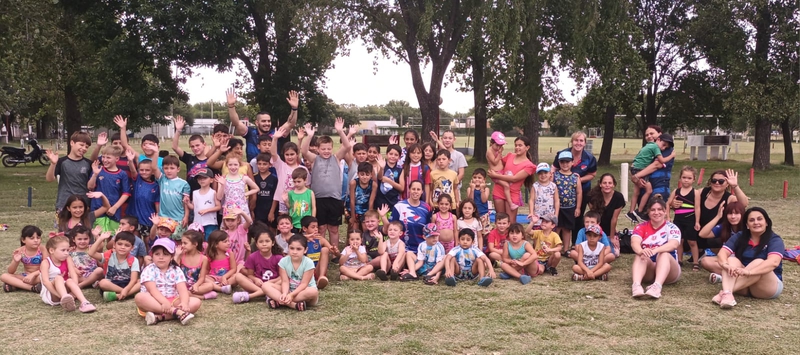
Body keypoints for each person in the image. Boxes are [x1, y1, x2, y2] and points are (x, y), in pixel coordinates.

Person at [712, 207, 784, 308]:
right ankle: (728, 295)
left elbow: (773, 262)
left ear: (766, 222)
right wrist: (725, 265)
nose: (756, 222)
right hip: (744, 285)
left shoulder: (774, 239)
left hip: (766, 287)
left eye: (759, 219)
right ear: (746, 225)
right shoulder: (740, 236)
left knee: (758, 262)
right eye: (751, 220)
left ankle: (725, 292)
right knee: (731, 260)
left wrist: (749, 272)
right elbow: (722, 253)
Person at [300, 119, 352, 249]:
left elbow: (347, 146)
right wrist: (310, 136)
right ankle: (321, 250)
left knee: (334, 228)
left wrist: (340, 131)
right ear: (318, 149)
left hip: (335, 198)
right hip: (319, 199)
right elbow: (304, 151)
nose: (326, 151)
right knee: (321, 227)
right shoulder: (314, 159)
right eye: (323, 149)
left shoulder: (336, 158)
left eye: (329, 148)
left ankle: (333, 250)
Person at [135, 238, 201, 325]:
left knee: (196, 302)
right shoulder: (148, 269)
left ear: (172, 257)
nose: (161, 257)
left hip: (173, 300)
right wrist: (164, 302)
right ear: (152, 256)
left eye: (165, 254)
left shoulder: (176, 269)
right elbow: (152, 290)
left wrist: (184, 302)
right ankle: (177, 312)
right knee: (140, 297)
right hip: (154, 301)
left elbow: (182, 289)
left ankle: (160, 317)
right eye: (157, 254)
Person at [226, 88, 300, 161]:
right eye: (264, 121)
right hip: (253, 171)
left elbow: (290, 123)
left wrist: (294, 108)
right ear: (257, 123)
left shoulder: (276, 133)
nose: (267, 123)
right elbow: (236, 122)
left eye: (269, 121)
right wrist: (231, 106)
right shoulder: (250, 133)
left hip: (273, 171)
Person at [630, 197, 682, 300]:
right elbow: (634, 242)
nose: (656, 212)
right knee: (641, 255)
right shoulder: (641, 227)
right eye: (653, 210)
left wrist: (655, 250)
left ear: (665, 211)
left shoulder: (672, 227)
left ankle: (657, 287)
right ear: (648, 212)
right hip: (649, 269)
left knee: (663, 253)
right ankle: (636, 286)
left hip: (670, 271)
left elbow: (673, 244)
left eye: (659, 209)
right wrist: (641, 251)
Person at [553, 131, 597, 237]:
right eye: (576, 140)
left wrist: (577, 180)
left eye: (581, 140)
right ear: (572, 142)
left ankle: (575, 241)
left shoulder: (590, 158)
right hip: (561, 191)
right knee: (560, 215)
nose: (578, 143)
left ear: (585, 143)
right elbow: (553, 168)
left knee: (577, 214)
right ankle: (559, 241)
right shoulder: (562, 154)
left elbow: (592, 174)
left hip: (582, 190)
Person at [695, 169, 749, 253]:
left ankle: (709, 251)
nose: (717, 183)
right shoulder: (702, 192)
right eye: (714, 180)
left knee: (714, 242)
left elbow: (744, 204)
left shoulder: (730, 198)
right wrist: (674, 203)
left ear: (727, 183)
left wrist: (735, 186)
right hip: (698, 229)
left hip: (717, 233)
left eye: (721, 181)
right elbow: (685, 199)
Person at [39, 236, 96, 312]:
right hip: (51, 294)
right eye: (63, 250)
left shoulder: (68, 258)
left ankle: (84, 302)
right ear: (52, 250)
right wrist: (59, 296)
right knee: (58, 278)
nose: (66, 253)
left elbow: (73, 274)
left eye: (67, 250)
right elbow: (46, 282)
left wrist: (73, 291)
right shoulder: (46, 262)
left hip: (66, 290)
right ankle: (65, 298)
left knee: (70, 280)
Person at [263, 234, 320, 311]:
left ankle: (280, 302)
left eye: (298, 249)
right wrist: (284, 293)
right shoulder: (283, 261)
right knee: (265, 285)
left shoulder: (308, 262)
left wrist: (291, 295)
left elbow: (304, 284)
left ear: (305, 250)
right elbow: (285, 281)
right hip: (289, 290)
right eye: (292, 248)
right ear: (288, 248)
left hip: (303, 293)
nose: (294, 252)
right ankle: (293, 305)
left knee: (313, 291)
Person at [45, 131, 93, 220]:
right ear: (72, 143)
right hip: (64, 204)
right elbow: (49, 179)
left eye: (86, 147)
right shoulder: (62, 162)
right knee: (63, 233)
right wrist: (53, 164)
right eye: (81, 145)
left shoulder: (88, 164)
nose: (84, 148)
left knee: (82, 233)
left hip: (83, 205)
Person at [488, 136, 536, 223]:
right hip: (499, 190)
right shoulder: (510, 156)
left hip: (513, 193)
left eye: (520, 145)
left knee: (510, 221)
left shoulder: (529, 165)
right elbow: (498, 165)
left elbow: (514, 179)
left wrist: (496, 176)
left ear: (527, 147)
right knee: (500, 220)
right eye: (516, 145)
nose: (517, 147)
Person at [232, 225, 284, 304]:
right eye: (261, 242)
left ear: (273, 242)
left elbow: (282, 277)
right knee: (238, 276)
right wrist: (255, 279)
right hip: (257, 285)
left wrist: (269, 283)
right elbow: (250, 275)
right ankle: (265, 293)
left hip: (273, 285)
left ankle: (251, 296)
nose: (264, 244)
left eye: (267, 241)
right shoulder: (252, 257)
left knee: (284, 280)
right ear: (256, 244)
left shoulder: (279, 258)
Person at [626, 134, 672, 223]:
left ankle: (631, 212)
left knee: (636, 192)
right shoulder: (656, 148)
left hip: (635, 168)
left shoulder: (649, 145)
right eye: (663, 145)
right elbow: (661, 161)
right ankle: (639, 212)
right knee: (649, 190)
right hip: (640, 170)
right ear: (658, 139)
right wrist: (672, 155)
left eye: (665, 146)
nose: (663, 148)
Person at [87, 145, 131, 232]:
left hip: (114, 210)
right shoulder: (98, 170)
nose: (105, 160)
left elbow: (126, 193)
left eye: (108, 157)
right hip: (98, 208)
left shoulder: (122, 174)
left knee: (113, 236)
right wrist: (95, 175)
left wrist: (115, 207)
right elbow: (90, 187)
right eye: (103, 157)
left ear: (117, 159)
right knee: (98, 236)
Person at [699, 201, 745, 284]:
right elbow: (702, 234)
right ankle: (730, 277)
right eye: (730, 214)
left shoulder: (747, 229)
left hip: (742, 262)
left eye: (737, 213)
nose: (733, 216)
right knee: (705, 261)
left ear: (742, 215)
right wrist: (717, 216)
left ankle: (725, 277)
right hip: (726, 261)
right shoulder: (724, 227)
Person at [88, 231, 141, 301]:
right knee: (103, 283)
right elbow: (91, 253)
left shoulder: (134, 260)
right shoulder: (108, 256)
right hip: (111, 284)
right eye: (120, 244)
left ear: (132, 248)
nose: (123, 247)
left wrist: (126, 289)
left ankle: (117, 295)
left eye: (127, 245)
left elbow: (133, 280)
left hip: (127, 284)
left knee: (141, 281)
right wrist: (100, 238)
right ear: (114, 245)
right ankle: (129, 293)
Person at [384, 180, 431, 256]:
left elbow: (429, 230)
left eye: (418, 189)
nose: (415, 192)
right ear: (409, 190)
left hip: (421, 249)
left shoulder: (426, 208)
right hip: (402, 249)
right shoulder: (399, 206)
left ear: (422, 191)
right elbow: (391, 227)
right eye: (413, 189)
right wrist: (383, 217)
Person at [667, 166, 701, 269]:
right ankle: (679, 260)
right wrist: (668, 217)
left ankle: (696, 262)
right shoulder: (676, 191)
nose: (686, 180)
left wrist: (697, 221)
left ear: (694, 179)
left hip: (690, 219)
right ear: (680, 178)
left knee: (692, 241)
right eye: (684, 177)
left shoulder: (695, 192)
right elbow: (668, 204)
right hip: (678, 219)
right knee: (679, 240)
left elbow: (697, 208)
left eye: (689, 178)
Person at [270, 127, 310, 217]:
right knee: (284, 224)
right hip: (283, 201)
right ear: (283, 155)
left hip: (299, 201)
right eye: (287, 154)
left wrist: (300, 140)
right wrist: (275, 138)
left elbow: (308, 187)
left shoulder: (303, 169)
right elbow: (273, 153)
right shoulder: (281, 165)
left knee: (298, 224)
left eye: (292, 154)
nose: (289, 157)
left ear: (297, 154)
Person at [172, 116, 214, 194]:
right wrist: (178, 130)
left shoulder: (211, 161)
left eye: (197, 145)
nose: (195, 148)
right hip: (191, 196)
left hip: (207, 197)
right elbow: (174, 147)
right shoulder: (189, 158)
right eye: (192, 146)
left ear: (204, 144)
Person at [153, 155, 190, 235]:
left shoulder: (184, 184)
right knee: (162, 240)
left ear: (178, 169)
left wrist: (186, 216)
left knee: (177, 241)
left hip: (178, 218)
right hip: (163, 217)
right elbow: (154, 168)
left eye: (172, 168)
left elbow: (186, 202)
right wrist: (156, 152)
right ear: (163, 169)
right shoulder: (162, 179)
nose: (169, 171)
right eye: (166, 168)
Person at [1, 225, 45, 293]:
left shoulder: (42, 249)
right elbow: (11, 271)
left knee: (45, 277)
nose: (36, 240)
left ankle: (17, 285)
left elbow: (47, 267)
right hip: (26, 276)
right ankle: (32, 288)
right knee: (4, 276)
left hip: (39, 275)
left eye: (38, 237)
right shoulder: (20, 251)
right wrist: (15, 261)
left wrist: (33, 274)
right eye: (32, 238)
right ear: (23, 240)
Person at [175, 230, 216, 300]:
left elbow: (202, 278)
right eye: (182, 243)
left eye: (185, 243)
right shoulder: (181, 255)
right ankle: (202, 297)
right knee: (177, 289)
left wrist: (196, 285)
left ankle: (187, 294)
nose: (182, 245)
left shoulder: (203, 258)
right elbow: (173, 270)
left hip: (193, 286)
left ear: (195, 244)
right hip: (180, 285)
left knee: (210, 285)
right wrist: (176, 255)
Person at [553, 151, 581, 252]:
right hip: (557, 208)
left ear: (572, 162)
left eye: (567, 162)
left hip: (570, 207)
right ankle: (555, 248)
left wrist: (578, 207)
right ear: (559, 163)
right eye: (562, 162)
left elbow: (578, 193)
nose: (565, 164)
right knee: (557, 227)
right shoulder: (554, 176)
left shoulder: (575, 177)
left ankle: (565, 249)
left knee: (567, 229)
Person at [430, 130, 468, 203]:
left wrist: (451, 186)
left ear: (454, 139)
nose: (447, 140)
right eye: (445, 138)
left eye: (450, 138)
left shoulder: (459, 155)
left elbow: (461, 174)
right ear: (442, 139)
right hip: (438, 190)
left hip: (454, 190)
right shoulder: (438, 155)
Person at [126, 158, 160, 240]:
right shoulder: (137, 180)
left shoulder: (156, 186)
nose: (144, 172)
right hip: (134, 217)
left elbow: (157, 203)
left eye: (147, 170)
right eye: (141, 170)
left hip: (147, 218)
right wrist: (130, 161)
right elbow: (133, 171)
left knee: (147, 241)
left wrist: (158, 215)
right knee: (134, 240)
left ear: (152, 171)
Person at [588, 174, 626, 240]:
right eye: (604, 183)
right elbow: (593, 217)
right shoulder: (592, 196)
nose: (607, 185)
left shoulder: (618, 197)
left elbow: (614, 219)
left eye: (610, 183)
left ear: (613, 185)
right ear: (600, 184)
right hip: (595, 228)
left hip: (610, 229)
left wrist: (611, 237)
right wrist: (595, 234)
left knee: (613, 249)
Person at [187, 168, 221, 240]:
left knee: (209, 242)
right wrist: (187, 203)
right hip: (197, 223)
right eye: (199, 178)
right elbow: (193, 207)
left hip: (210, 222)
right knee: (198, 242)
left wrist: (207, 210)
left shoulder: (213, 192)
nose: (202, 180)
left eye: (204, 178)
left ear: (211, 180)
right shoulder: (195, 193)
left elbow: (218, 206)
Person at [301, 216, 334, 289]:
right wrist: (305, 238)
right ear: (304, 229)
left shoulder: (320, 239)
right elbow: (291, 239)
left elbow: (333, 251)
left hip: (318, 269)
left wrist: (335, 250)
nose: (316, 229)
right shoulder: (300, 240)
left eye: (317, 227)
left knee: (325, 249)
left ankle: (321, 277)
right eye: (313, 227)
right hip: (306, 270)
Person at [485, 132, 516, 210]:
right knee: (506, 185)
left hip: (500, 172)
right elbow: (494, 162)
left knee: (509, 182)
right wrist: (500, 153)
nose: (499, 147)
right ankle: (510, 203)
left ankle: (508, 200)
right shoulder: (489, 151)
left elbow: (500, 161)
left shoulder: (496, 151)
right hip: (495, 173)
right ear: (492, 142)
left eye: (501, 145)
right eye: (497, 145)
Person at [220, 207, 253, 272]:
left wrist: (242, 213)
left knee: (238, 271)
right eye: (227, 220)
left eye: (232, 220)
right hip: (228, 261)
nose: (230, 223)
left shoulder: (240, 229)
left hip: (240, 261)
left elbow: (249, 222)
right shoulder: (224, 233)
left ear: (238, 220)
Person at [205, 230, 238, 294]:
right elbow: (207, 269)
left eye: (228, 241)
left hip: (227, 278)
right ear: (215, 244)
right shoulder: (209, 255)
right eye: (225, 241)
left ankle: (216, 286)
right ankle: (220, 288)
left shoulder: (229, 253)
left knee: (237, 276)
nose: (228, 243)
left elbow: (234, 269)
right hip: (214, 279)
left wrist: (224, 277)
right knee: (201, 277)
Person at [529, 163, 559, 229]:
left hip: (550, 216)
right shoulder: (535, 186)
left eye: (545, 172)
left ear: (550, 173)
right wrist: (531, 212)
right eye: (540, 173)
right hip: (537, 217)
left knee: (549, 236)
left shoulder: (553, 186)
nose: (543, 175)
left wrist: (556, 214)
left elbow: (556, 201)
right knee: (537, 235)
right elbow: (531, 200)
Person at [375, 144, 404, 210]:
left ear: (399, 157)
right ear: (387, 154)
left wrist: (389, 181)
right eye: (391, 154)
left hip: (394, 200)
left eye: (396, 155)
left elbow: (401, 188)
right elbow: (379, 177)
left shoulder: (400, 169)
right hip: (381, 200)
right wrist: (382, 168)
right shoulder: (381, 164)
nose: (393, 156)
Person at [349, 162, 377, 230]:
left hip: (366, 210)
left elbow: (371, 202)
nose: (364, 177)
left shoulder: (373, 185)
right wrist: (353, 216)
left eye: (367, 175)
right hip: (354, 209)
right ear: (358, 174)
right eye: (362, 174)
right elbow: (352, 201)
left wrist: (369, 217)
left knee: (366, 230)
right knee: (354, 230)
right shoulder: (353, 183)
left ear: (371, 175)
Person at [252, 153, 278, 225]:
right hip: (258, 210)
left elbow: (276, 197)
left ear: (270, 164)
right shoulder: (254, 178)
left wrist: (272, 212)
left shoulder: (274, 178)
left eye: (264, 164)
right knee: (258, 230)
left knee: (271, 230)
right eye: (259, 164)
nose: (262, 166)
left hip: (270, 208)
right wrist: (251, 211)